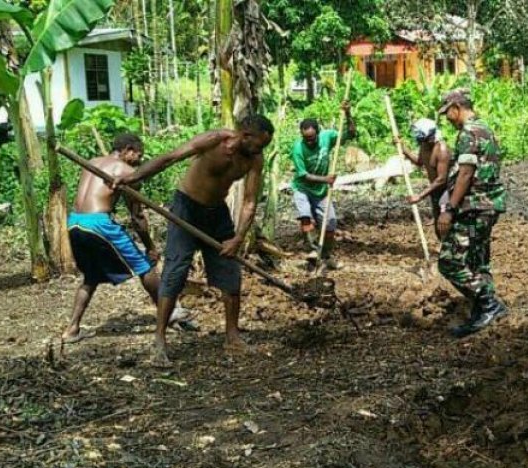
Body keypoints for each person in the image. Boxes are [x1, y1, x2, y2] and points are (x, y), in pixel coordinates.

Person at [113, 115, 274, 360]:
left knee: (230, 273)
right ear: (246, 135)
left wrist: (238, 238)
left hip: (216, 214)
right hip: (185, 208)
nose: (261, 150)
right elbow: (170, 158)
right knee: (175, 271)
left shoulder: (254, 160)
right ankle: (159, 340)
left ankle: (232, 338)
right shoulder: (214, 140)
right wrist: (133, 177)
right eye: (259, 144)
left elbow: (250, 201)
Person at [62, 133, 196, 345]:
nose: (140, 160)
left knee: (91, 276)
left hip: (75, 221)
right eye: (138, 155)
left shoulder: (93, 162)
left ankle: (72, 330)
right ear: (128, 151)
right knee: (144, 266)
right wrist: (150, 246)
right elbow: (137, 216)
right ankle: (169, 313)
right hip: (99, 223)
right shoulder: (127, 172)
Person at [437, 90, 508, 337]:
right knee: (478, 262)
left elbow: (465, 174)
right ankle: (483, 314)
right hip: (489, 205)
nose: (447, 118)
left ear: (457, 107)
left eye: (447, 112)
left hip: (474, 206)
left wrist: (449, 209)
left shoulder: (468, 134)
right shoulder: (485, 129)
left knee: (449, 261)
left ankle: (489, 304)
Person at [290, 101, 356, 269]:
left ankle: (325, 256)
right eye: (306, 139)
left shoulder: (328, 136)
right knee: (306, 217)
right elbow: (303, 175)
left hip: (321, 191)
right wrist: (326, 179)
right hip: (303, 189)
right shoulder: (298, 148)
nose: (309, 142)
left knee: (331, 223)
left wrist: (348, 114)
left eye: (312, 138)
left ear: (318, 133)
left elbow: (351, 134)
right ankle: (313, 250)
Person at [399, 118, 453, 237]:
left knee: (446, 224)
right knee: (439, 229)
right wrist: (404, 150)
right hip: (435, 192)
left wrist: (420, 195)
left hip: (448, 192)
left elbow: (441, 179)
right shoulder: (424, 146)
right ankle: (445, 251)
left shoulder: (441, 150)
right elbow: (419, 162)